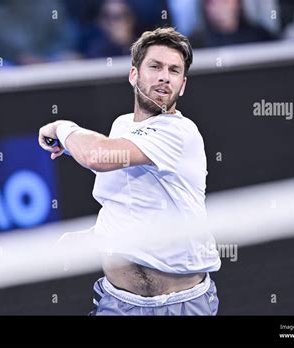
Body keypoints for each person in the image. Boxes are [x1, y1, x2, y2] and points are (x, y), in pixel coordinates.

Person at [39, 27, 221, 316]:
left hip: (183, 306)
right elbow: (129, 204)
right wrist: (93, 236)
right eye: (155, 66)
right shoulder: (123, 126)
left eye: (174, 71)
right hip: (118, 304)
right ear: (134, 75)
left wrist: (61, 128)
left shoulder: (181, 132)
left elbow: (97, 155)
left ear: (182, 85)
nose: (164, 76)